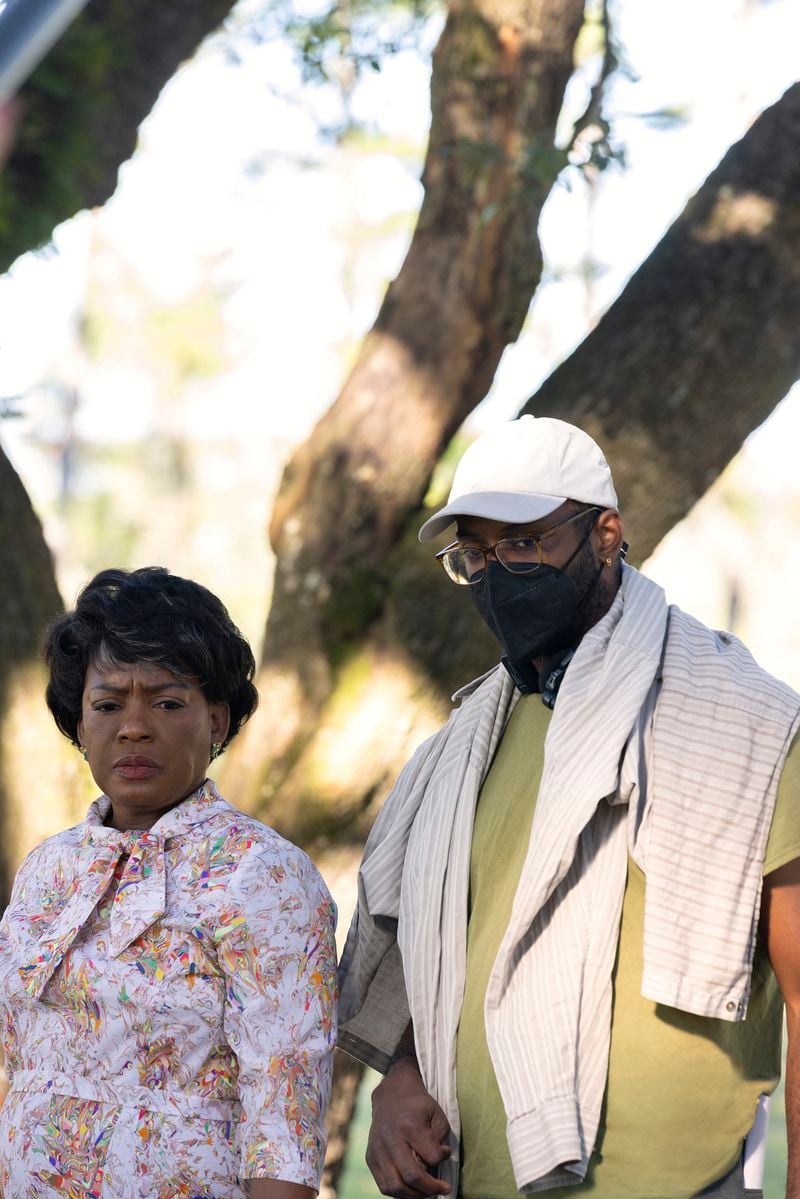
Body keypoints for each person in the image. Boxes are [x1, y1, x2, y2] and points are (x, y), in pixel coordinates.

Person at [338, 415, 800, 1199]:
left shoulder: (742, 722)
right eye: (474, 555)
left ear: (607, 534)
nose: (496, 572)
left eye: (524, 543)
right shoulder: (464, 747)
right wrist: (402, 1080)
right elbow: (451, 954)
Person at [0, 567, 338, 1199]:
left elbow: (285, 1102)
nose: (133, 727)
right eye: (107, 705)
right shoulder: (47, 870)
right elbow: (14, 1063)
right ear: (79, 725)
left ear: (216, 720)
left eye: (165, 701)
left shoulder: (262, 873)